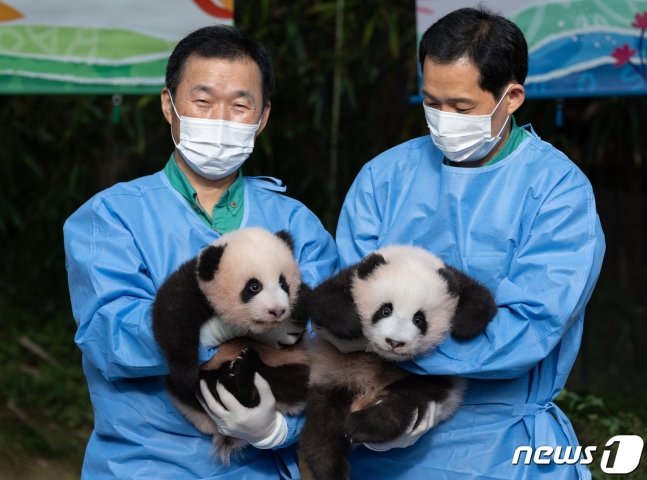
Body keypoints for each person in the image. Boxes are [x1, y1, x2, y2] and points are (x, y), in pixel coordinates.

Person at [334, 6, 605, 480]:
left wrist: (400, 354)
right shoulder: (384, 178)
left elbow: (531, 328)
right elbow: (348, 303)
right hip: (383, 434)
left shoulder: (557, 190)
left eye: (461, 108)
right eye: (431, 103)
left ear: (511, 96)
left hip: (503, 447)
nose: (443, 120)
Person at [64, 25, 337, 479]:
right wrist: (203, 328)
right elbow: (108, 339)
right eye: (203, 101)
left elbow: (327, 346)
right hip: (143, 465)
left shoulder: (296, 225)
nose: (220, 120)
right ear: (169, 105)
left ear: (263, 116)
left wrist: (279, 431)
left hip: (261, 467)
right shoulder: (111, 217)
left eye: (240, 104)